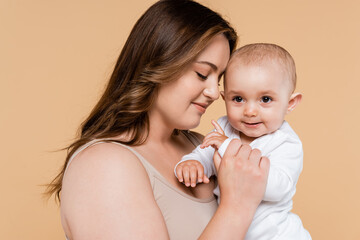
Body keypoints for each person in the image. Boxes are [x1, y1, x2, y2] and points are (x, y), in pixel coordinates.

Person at [46, 1, 270, 239]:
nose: (215, 93)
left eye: (219, 79)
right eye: (202, 74)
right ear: (159, 63)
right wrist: (236, 208)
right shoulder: (102, 166)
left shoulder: (202, 147)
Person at [175, 43, 311, 239]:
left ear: (290, 103)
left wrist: (227, 146)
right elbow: (206, 153)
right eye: (238, 99)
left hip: (277, 235)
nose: (250, 111)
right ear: (225, 98)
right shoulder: (225, 129)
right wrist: (192, 163)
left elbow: (280, 188)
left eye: (265, 99)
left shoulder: (285, 142)